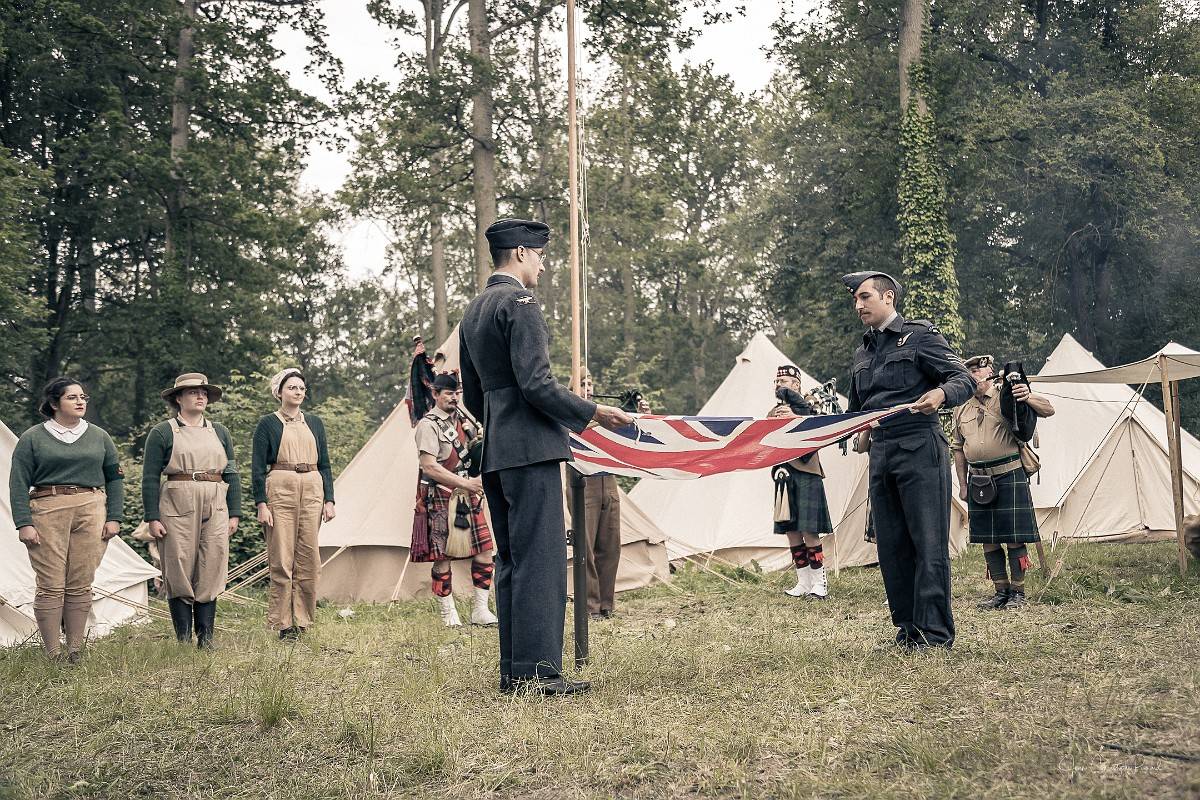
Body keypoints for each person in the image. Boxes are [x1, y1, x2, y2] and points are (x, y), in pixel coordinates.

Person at [459, 218, 632, 696]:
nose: (542, 265)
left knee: (512, 561)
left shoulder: (473, 311)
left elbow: (473, 394)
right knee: (540, 561)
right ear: (519, 253)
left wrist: (501, 424)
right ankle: (538, 674)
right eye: (538, 255)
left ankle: (515, 671)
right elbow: (536, 383)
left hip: (497, 451)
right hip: (531, 449)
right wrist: (593, 412)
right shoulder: (521, 304)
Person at [843, 271, 974, 649]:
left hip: (920, 447)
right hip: (881, 452)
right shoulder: (862, 352)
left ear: (888, 297)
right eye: (856, 300)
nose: (858, 305)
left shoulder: (919, 336)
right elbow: (856, 409)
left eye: (865, 297)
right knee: (892, 546)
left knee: (928, 542)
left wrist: (941, 394)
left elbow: (962, 379)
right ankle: (907, 630)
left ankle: (935, 634)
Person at [8, 377, 124, 661]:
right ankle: (53, 653)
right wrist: (24, 522)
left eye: (83, 397)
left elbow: (114, 478)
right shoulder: (33, 437)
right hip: (47, 508)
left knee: (81, 581)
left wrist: (114, 517)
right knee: (51, 583)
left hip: (91, 508)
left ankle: (75, 650)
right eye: (72, 397)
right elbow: (18, 482)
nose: (80, 401)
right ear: (54, 402)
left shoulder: (99, 436)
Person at [142, 373, 241, 648]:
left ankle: (206, 639)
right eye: (193, 392)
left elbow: (231, 471)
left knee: (212, 562)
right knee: (178, 564)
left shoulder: (220, 431)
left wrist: (235, 512)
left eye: (204, 393)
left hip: (215, 499)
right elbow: (150, 477)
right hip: (177, 500)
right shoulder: (163, 432)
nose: (200, 397)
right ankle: (184, 639)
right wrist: (152, 517)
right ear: (178, 398)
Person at [952, 354, 1054, 610]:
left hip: (1009, 473)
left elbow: (1048, 409)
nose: (972, 376)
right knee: (988, 539)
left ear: (989, 372)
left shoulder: (1007, 395)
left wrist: (1027, 396)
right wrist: (962, 484)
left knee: (1013, 537)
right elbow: (958, 448)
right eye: (969, 372)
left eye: (977, 370)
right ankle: (1000, 592)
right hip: (978, 480)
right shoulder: (961, 407)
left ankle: (1018, 593)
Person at [252, 368, 335, 640]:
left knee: (309, 557)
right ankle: (283, 623)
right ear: (279, 392)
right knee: (282, 556)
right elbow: (257, 468)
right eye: (291, 387)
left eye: (301, 388)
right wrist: (261, 504)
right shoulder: (268, 423)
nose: (297, 392)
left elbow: (325, 464)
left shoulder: (315, 423)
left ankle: (303, 620)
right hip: (281, 488)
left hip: (312, 488)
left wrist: (330, 499)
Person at [412, 371, 497, 628]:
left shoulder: (463, 421)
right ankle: (448, 613)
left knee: (485, 551)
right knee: (443, 556)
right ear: (435, 394)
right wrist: (467, 484)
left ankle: (480, 610)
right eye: (449, 393)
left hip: (466, 495)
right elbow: (429, 466)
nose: (454, 398)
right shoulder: (427, 425)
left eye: (457, 393)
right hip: (441, 494)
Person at [768, 365, 834, 599]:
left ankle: (820, 583)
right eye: (776, 382)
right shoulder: (775, 410)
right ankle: (803, 582)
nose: (779, 386)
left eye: (783, 381)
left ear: (796, 384)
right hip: (784, 474)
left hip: (807, 472)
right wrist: (775, 418)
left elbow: (819, 427)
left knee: (809, 530)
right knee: (792, 530)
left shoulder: (812, 404)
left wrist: (795, 416)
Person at [577, 368, 623, 619]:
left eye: (590, 383)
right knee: (585, 545)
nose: (588, 388)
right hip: (584, 481)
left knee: (611, 544)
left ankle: (606, 603)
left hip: (608, 478)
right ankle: (591, 606)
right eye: (583, 383)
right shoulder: (570, 412)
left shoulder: (605, 413)